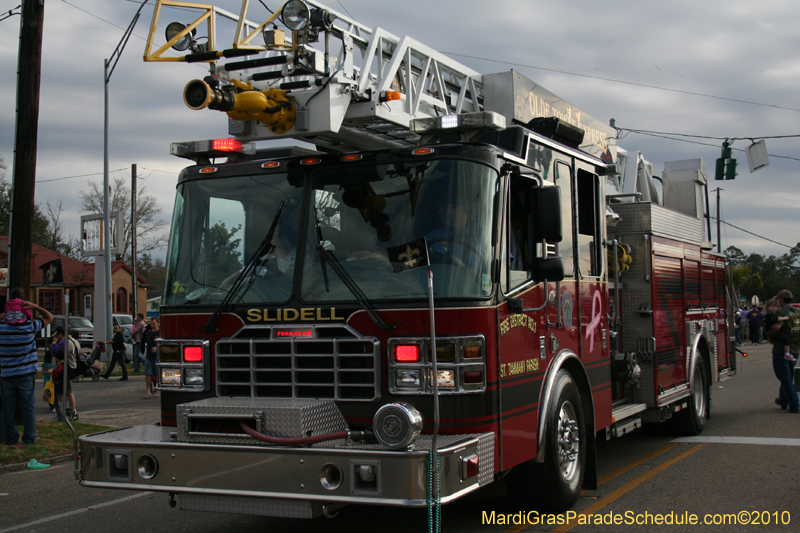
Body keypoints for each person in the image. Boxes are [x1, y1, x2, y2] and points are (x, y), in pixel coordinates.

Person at [0, 289, 53, 446]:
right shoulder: (30, 326)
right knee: (28, 407)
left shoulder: (2, 328)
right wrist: (34, 306)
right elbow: (49, 317)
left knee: (8, 408)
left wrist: (5, 315)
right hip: (26, 373)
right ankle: (29, 436)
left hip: (6, 374)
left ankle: (10, 437)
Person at [427, 200, 485, 268]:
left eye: (445, 208)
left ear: (460, 209)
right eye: (439, 208)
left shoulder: (484, 232)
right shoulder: (434, 237)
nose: (440, 212)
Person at [769, 290, 800, 413]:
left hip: (781, 349)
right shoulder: (797, 312)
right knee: (788, 375)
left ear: (781, 299)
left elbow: (776, 327)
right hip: (796, 348)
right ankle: (783, 399)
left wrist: (769, 333)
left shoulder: (781, 312)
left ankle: (794, 403)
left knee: (784, 377)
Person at [50, 326, 82, 421]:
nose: (57, 337)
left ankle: (71, 412)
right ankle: (66, 412)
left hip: (66, 368)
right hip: (74, 366)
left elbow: (54, 352)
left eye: (58, 336)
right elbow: (79, 356)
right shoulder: (75, 341)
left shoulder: (65, 342)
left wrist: (54, 342)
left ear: (60, 334)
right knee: (66, 391)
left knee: (66, 392)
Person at [143, 317, 160, 399]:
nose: (152, 325)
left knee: (157, 374)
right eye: (151, 324)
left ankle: (158, 390)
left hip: (157, 357)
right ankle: (148, 391)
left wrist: (157, 348)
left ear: (157, 323)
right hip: (149, 356)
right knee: (147, 373)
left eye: (154, 323)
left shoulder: (160, 332)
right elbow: (147, 344)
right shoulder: (148, 333)